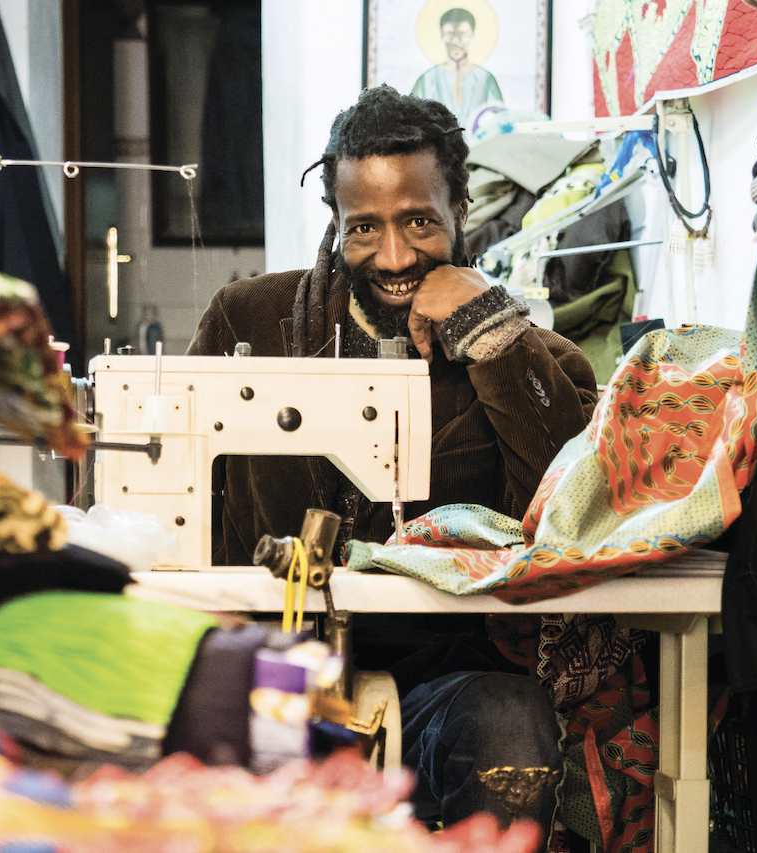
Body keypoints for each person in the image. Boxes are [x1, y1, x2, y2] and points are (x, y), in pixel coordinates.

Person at [186, 85, 598, 840]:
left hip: (447, 673)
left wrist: (491, 336)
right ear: (335, 224)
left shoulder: (539, 359)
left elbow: (569, 513)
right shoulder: (248, 325)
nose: (396, 254)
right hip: (276, 664)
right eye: (365, 228)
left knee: (513, 727)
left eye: (419, 221)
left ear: (462, 210)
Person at [411, 8, 503, 132]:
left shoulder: (486, 78)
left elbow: (500, 120)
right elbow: (411, 120)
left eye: (462, 35)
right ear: (442, 37)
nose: (456, 41)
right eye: (450, 34)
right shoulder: (426, 79)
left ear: (472, 36)